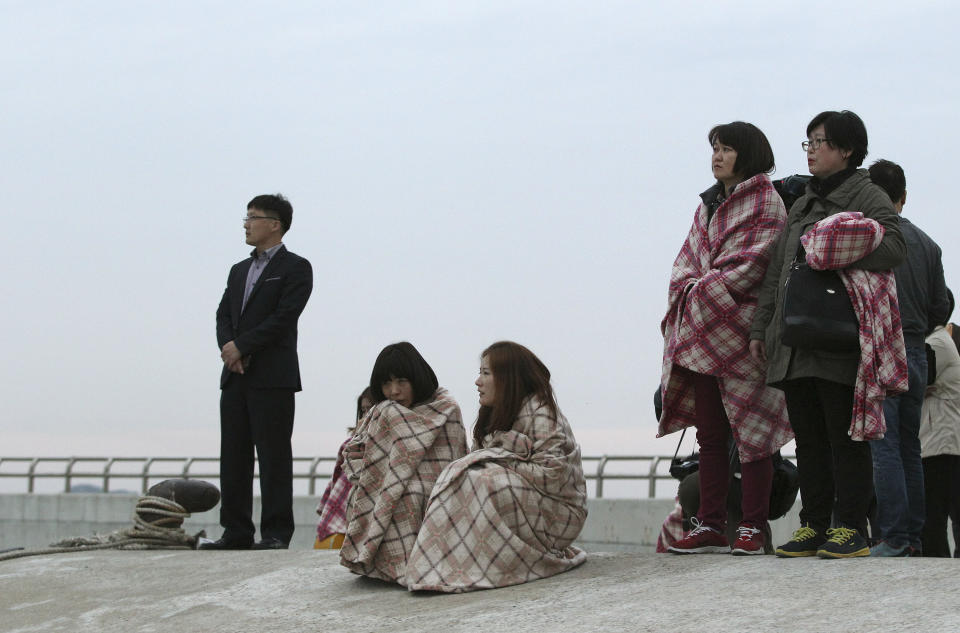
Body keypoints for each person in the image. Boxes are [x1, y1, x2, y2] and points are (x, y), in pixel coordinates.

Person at [750, 110, 907, 559]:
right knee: (810, 439)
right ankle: (814, 525)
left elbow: (894, 247)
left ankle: (851, 527)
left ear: (847, 150)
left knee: (845, 437)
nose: (812, 150)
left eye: (820, 142)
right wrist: (762, 327)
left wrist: (836, 250)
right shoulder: (799, 202)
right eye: (808, 142)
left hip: (839, 337)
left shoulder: (867, 194)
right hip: (795, 339)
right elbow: (778, 269)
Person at [658, 122, 793, 555]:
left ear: (747, 154)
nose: (716, 155)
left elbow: (754, 264)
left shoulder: (767, 203)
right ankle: (710, 524)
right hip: (702, 332)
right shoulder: (707, 205)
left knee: (754, 435)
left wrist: (700, 291)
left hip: (745, 332)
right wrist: (696, 290)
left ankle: (751, 527)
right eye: (714, 148)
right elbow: (684, 264)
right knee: (710, 435)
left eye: (726, 148)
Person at [406, 341, 588, 592]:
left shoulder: (540, 411)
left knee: (484, 481)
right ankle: (450, 566)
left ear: (507, 378)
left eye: (486, 373)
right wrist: (500, 453)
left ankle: (486, 567)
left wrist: (502, 454)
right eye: (480, 373)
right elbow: (478, 462)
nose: (477, 381)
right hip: (530, 504)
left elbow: (552, 475)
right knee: (466, 478)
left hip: (558, 513)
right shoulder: (493, 414)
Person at [203, 193, 313, 551]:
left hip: (273, 377)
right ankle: (235, 531)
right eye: (246, 217)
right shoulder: (238, 270)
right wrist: (229, 349)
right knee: (233, 454)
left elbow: (283, 319)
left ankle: (276, 533)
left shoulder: (296, 267)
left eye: (253, 217)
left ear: (275, 224)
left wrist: (243, 346)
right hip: (235, 375)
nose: (246, 224)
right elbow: (223, 315)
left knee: (273, 455)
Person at [867, 159, 950, 557]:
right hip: (917, 350)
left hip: (884, 349)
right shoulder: (929, 245)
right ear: (904, 197)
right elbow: (942, 308)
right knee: (909, 449)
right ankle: (913, 537)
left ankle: (894, 537)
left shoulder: (872, 238)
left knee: (884, 445)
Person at [339, 342, 467, 583]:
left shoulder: (447, 408)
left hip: (439, 487)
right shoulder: (382, 411)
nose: (394, 391)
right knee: (368, 494)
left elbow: (453, 459)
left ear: (416, 379)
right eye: (386, 383)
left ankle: (414, 567)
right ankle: (381, 566)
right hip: (384, 485)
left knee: (410, 495)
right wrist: (377, 480)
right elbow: (355, 452)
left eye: (401, 382)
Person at [314, 387, 374, 550]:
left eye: (372, 409)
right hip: (339, 528)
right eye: (364, 410)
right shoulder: (352, 445)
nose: (367, 415)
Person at [920, 318, 960, 557]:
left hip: (940, 440)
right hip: (942, 439)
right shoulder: (940, 340)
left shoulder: (936, 343)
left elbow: (911, 382)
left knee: (933, 513)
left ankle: (937, 563)